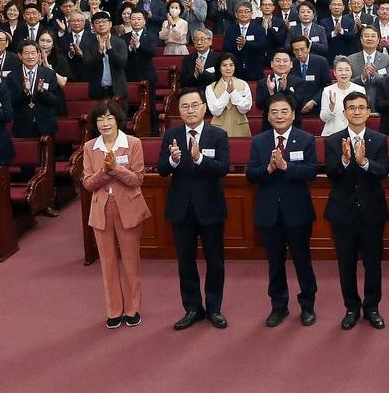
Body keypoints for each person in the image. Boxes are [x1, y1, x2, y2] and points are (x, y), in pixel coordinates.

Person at [159, 88, 230, 330]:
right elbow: (161, 169)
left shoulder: (217, 134)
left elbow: (223, 168)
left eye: (194, 105)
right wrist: (173, 161)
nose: (190, 110)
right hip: (181, 209)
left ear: (204, 108)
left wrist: (199, 159)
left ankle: (214, 308)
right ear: (179, 111)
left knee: (215, 262)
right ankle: (192, 308)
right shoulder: (172, 135)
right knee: (185, 262)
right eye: (185, 107)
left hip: (210, 207)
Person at [245, 94, 319, 328]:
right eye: (274, 112)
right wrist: (267, 169)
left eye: (284, 111)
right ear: (268, 116)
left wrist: (287, 167)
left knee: (302, 260)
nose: (279, 116)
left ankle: (307, 305)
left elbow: (311, 172)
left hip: (298, 211)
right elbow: (250, 175)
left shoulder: (306, 139)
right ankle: (279, 306)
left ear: (293, 114)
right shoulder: (259, 141)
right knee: (274, 262)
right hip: (269, 213)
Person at [81, 100, 150, 328]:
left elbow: (137, 179)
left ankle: (133, 309)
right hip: (101, 210)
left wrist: (116, 169)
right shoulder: (90, 147)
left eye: (109, 118)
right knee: (108, 263)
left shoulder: (133, 143)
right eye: (100, 119)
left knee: (131, 261)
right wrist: (104, 172)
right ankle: (113, 310)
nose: (105, 123)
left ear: (118, 120)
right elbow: (89, 184)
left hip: (128, 207)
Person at [324, 91, 389, 330]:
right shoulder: (333, 140)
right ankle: (351, 307)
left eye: (361, 107)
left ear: (368, 111)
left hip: (372, 212)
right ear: (344, 112)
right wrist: (344, 160)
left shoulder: (379, 139)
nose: (357, 112)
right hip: (343, 213)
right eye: (352, 108)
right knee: (346, 264)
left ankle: (372, 307)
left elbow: (383, 171)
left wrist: (364, 163)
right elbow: (331, 174)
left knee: (373, 264)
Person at [7, 42, 62, 139]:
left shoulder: (49, 74)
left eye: (33, 53)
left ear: (38, 55)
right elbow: (11, 102)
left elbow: (55, 100)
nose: (30, 56)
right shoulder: (12, 76)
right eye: (26, 53)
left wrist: (42, 92)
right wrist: (24, 92)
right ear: (20, 55)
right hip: (22, 125)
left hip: (45, 125)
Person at [205, 53, 253, 139]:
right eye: (224, 65)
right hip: (218, 127)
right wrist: (227, 93)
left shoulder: (243, 84)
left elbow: (245, 108)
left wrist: (234, 93)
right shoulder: (210, 87)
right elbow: (215, 111)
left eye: (231, 65)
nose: (228, 68)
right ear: (219, 68)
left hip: (240, 127)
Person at [319, 57, 364, 137]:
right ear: (334, 73)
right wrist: (331, 107)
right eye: (340, 70)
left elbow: (362, 115)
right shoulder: (327, 91)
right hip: (331, 134)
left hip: (353, 134)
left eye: (347, 70)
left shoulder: (360, 90)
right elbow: (323, 118)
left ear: (351, 72)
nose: (343, 73)